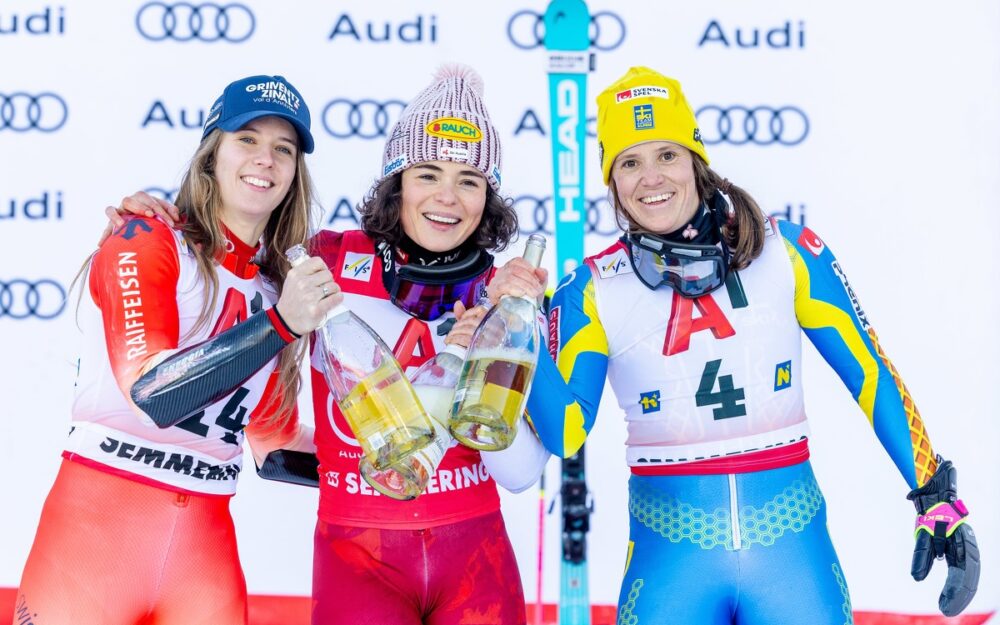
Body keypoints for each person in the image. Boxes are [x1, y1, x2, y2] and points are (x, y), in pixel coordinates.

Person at [524, 66, 980, 624]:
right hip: (671, 569)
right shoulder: (590, 289)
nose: (651, 177)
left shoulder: (786, 249)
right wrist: (523, 334)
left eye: (666, 154)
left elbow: (870, 370)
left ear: (696, 159)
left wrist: (933, 492)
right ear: (612, 180)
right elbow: (565, 431)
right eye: (630, 162)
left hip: (793, 562)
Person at [110, 65, 551, 625]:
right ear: (396, 183)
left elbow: (521, 474)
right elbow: (226, 246)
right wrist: (151, 223)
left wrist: (482, 365)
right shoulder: (325, 259)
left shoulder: (507, 293)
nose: (448, 197)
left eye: (470, 180)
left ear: (488, 198)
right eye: (427, 173)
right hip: (356, 561)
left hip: (475, 559)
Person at [14, 74, 337, 625]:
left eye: (284, 149)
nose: (265, 159)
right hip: (91, 542)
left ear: (294, 175)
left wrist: (395, 462)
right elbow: (153, 393)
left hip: (202, 555)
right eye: (247, 139)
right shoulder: (146, 239)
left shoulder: (276, 289)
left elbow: (276, 447)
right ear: (212, 154)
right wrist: (281, 325)